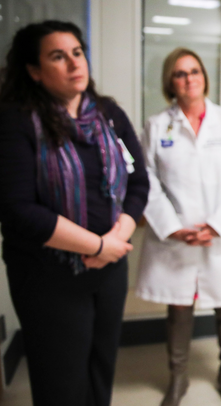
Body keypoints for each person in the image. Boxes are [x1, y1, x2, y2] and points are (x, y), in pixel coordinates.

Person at [0, 21, 149, 406]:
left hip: (109, 270)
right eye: (57, 56)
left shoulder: (109, 116)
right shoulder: (17, 120)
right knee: (60, 382)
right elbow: (17, 210)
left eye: (77, 53)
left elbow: (137, 182)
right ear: (34, 71)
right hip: (47, 275)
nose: (72, 63)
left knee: (101, 370)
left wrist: (115, 241)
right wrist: (98, 244)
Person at [137, 47, 221, 406]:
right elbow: (147, 181)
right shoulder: (158, 126)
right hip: (177, 237)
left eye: (195, 71)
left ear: (204, 77)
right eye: (180, 73)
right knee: (178, 310)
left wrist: (215, 226)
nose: (189, 78)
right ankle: (178, 378)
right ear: (170, 83)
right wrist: (173, 228)